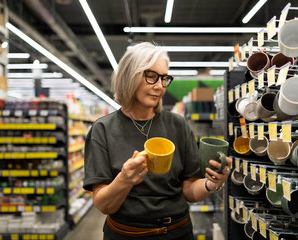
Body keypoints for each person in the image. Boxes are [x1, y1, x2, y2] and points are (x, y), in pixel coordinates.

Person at [83, 42, 232, 240]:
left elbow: (189, 189)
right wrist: (125, 179)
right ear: (130, 76)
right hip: (126, 234)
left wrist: (212, 183)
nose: (160, 86)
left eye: (164, 78)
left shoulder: (178, 125)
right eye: (151, 76)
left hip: (177, 233)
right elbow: (104, 205)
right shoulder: (103, 130)